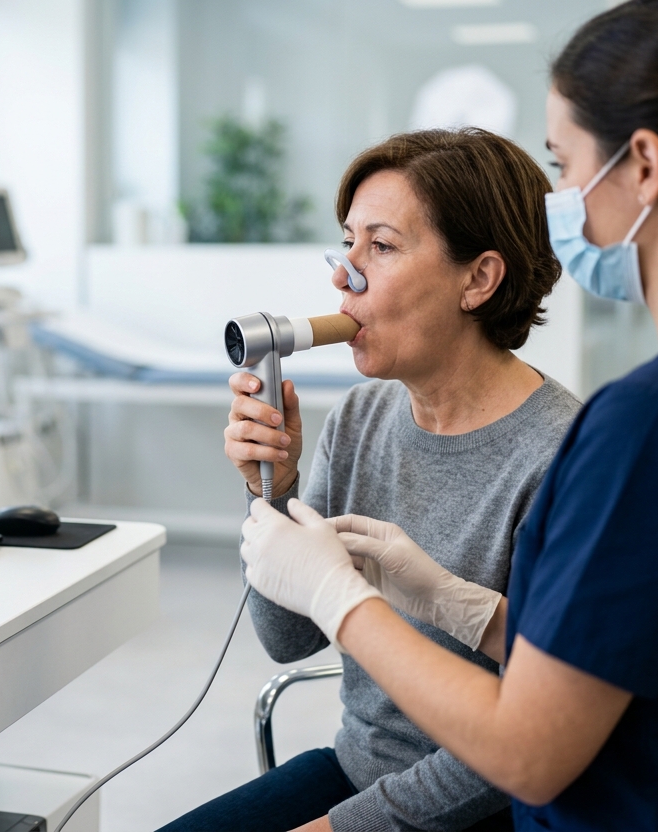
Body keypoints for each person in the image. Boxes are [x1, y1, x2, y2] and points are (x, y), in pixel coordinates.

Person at [239, 0, 658, 830]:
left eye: (563, 165)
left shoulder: (653, 425)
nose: (557, 200)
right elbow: (641, 656)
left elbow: (530, 748)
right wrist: (465, 606)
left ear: (643, 164)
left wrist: (341, 597)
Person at [163, 128, 582, 832]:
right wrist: (273, 487)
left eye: (380, 247)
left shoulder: (561, 456)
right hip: (356, 768)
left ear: (478, 279)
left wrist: (336, 829)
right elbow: (288, 637)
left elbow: (534, 736)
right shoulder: (362, 417)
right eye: (347, 243)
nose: (343, 276)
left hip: (490, 804)